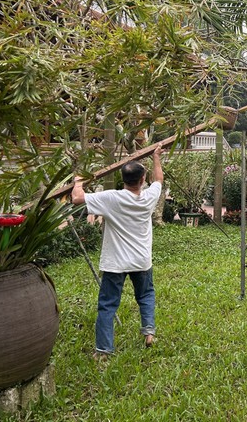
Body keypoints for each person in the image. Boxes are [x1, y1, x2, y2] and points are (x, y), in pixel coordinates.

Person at [71, 143, 164, 357]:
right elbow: (158, 180)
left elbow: (77, 198)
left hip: (116, 263)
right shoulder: (149, 197)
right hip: (141, 260)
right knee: (146, 294)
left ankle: (104, 350)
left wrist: (78, 181)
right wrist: (156, 157)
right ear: (142, 180)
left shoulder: (111, 198)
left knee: (108, 305)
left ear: (123, 180)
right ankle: (149, 333)